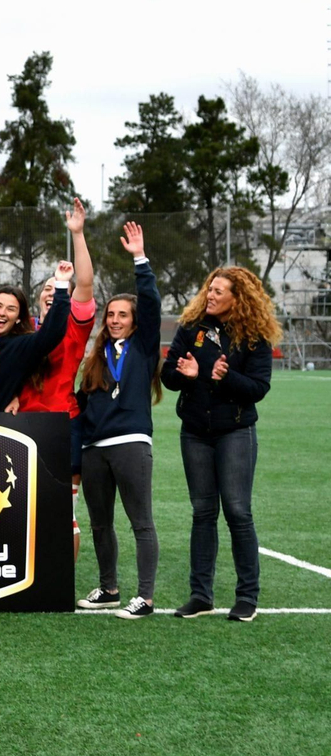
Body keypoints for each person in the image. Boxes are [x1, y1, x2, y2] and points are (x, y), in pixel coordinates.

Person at [162, 264, 280, 622]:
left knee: (238, 512)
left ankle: (247, 597)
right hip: (195, 432)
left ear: (237, 298)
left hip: (235, 432)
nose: (210, 295)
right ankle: (201, 595)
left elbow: (259, 388)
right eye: (209, 289)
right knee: (202, 513)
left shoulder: (255, 336)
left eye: (218, 291)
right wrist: (187, 376)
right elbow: (168, 376)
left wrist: (225, 378)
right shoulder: (191, 327)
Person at [75, 222, 163, 619]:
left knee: (140, 522)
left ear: (134, 321)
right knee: (99, 524)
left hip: (130, 444)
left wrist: (140, 259)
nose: (113, 320)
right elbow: (79, 406)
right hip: (95, 449)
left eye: (122, 315)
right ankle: (109, 588)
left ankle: (145, 597)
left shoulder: (143, 350)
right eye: (110, 315)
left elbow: (152, 302)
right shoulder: (96, 359)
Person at [16, 198, 98, 558]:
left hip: (63, 424)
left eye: (57, 288)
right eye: (46, 289)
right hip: (22, 424)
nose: (52, 292)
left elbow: (84, 283)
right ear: (37, 302)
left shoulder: (73, 328)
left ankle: (63, 579)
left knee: (65, 510)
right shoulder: (23, 334)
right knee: (21, 505)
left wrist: (77, 234)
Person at [0, 261, 73, 413]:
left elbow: (51, 333)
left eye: (11, 309)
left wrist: (61, 287)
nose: (2, 313)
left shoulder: (20, 346)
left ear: (18, 318)